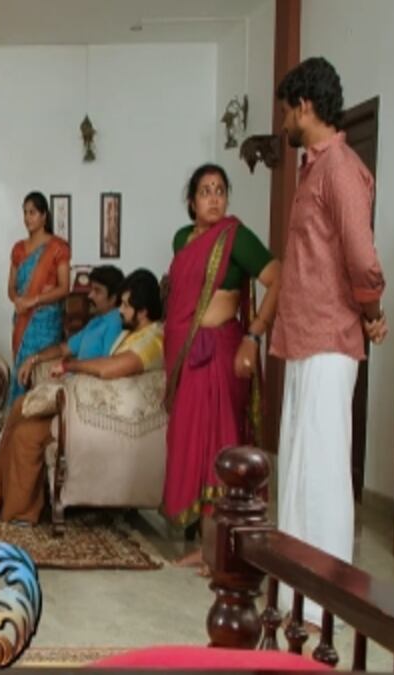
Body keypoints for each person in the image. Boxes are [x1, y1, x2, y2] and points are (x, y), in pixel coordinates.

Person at [272, 57, 386, 626]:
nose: (284, 123)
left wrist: (373, 311)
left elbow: (362, 257)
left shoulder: (339, 166)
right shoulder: (312, 169)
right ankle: (297, 592)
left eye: (287, 111)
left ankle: (325, 599)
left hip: (328, 339)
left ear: (305, 106)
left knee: (321, 474)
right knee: (297, 470)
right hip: (304, 338)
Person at [163, 164, 280, 569]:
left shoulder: (237, 237)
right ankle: (206, 545)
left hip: (220, 353)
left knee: (220, 444)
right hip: (187, 355)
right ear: (191, 201)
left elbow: (278, 277)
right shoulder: (182, 239)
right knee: (192, 443)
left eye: (220, 190)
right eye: (205, 191)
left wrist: (255, 335)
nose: (214, 198)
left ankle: (221, 550)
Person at [0, 269, 165, 526]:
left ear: (142, 311)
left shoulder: (153, 339)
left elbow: (109, 369)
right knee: (22, 413)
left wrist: (69, 367)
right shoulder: (130, 334)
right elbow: (76, 351)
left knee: (26, 428)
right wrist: (41, 360)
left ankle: (17, 511)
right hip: (88, 403)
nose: (120, 311)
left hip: (102, 414)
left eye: (125, 305)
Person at [15, 265, 126, 388]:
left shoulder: (115, 323)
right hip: (72, 380)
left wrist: (68, 367)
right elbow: (63, 348)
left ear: (113, 298)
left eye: (97, 291)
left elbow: (105, 365)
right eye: (92, 289)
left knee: (26, 399)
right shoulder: (96, 321)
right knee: (27, 390)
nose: (90, 295)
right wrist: (33, 359)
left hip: (87, 386)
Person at [8, 192, 71, 402]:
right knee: (20, 371)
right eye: (25, 213)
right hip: (22, 320)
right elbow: (11, 288)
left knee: (40, 372)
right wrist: (18, 301)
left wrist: (33, 301)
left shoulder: (58, 247)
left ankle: (40, 415)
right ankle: (18, 414)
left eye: (32, 212)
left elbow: (64, 288)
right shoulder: (18, 249)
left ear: (44, 216)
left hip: (46, 323)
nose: (27, 218)